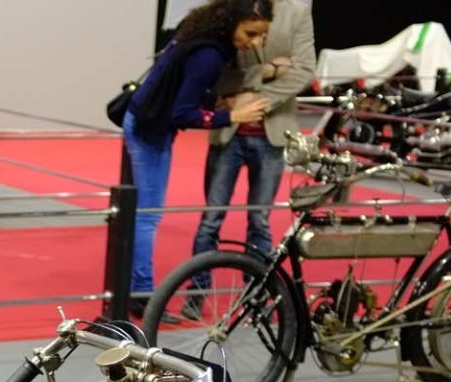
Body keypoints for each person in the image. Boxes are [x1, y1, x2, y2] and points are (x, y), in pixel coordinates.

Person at [122, 0, 271, 320]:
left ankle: (137, 291)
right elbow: (182, 113)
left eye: (261, 36)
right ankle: (142, 295)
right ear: (231, 23)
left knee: (144, 214)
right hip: (150, 131)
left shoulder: (200, 39)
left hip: (148, 123)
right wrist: (232, 115)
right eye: (251, 33)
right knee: (147, 216)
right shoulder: (209, 56)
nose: (255, 42)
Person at [183, 0, 312, 318]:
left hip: (272, 135)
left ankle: (257, 298)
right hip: (227, 134)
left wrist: (257, 99)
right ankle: (195, 297)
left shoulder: (297, 13)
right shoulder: (231, 9)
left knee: (260, 222)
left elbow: (304, 72)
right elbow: (219, 75)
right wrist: (267, 71)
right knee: (210, 219)